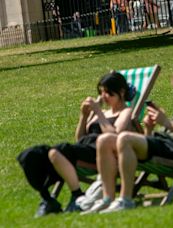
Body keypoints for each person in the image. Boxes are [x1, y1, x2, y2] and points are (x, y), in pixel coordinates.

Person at [82, 67, 173, 214]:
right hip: (163, 145)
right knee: (105, 139)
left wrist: (167, 123)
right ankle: (106, 199)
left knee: (124, 138)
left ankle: (125, 200)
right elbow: (156, 140)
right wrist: (148, 128)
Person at [17, 72, 134, 217]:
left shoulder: (125, 112)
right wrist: (84, 116)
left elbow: (114, 136)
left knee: (58, 151)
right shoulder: (101, 112)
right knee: (31, 154)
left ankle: (77, 196)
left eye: (108, 93)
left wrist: (98, 113)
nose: (104, 96)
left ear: (121, 92)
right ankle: (47, 199)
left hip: (101, 153)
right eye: (101, 92)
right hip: (83, 148)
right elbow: (80, 138)